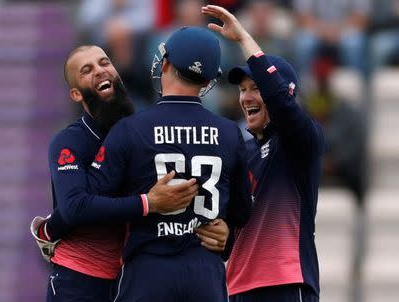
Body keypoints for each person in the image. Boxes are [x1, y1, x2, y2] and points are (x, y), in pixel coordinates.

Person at [30, 44, 229, 302]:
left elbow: (187, 190)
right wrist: (148, 203)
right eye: (87, 70)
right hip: (79, 279)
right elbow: (73, 207)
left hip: (134, 277)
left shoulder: (143, 129)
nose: (100, 71)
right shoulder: (69, 142)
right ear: (76, 94)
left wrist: (224, 229)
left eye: (104, 63)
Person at [87, 26, 252, 301]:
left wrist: (145, 203)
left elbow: (91, 206)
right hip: (205, 274)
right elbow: (242, 213)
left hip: (148, 271)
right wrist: (226, 235)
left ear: (164, 63)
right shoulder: (229, 132)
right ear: (209, 79)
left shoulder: (131, 129)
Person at [202, 5, 326, 302]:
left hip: (286, 284)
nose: (246, 98)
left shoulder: (301, 140)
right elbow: (235, 231)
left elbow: (281, 103)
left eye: (255, 88)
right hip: (237, 289)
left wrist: (244, 38)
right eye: (243, 90)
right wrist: (223, 236)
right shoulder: (240, 151)